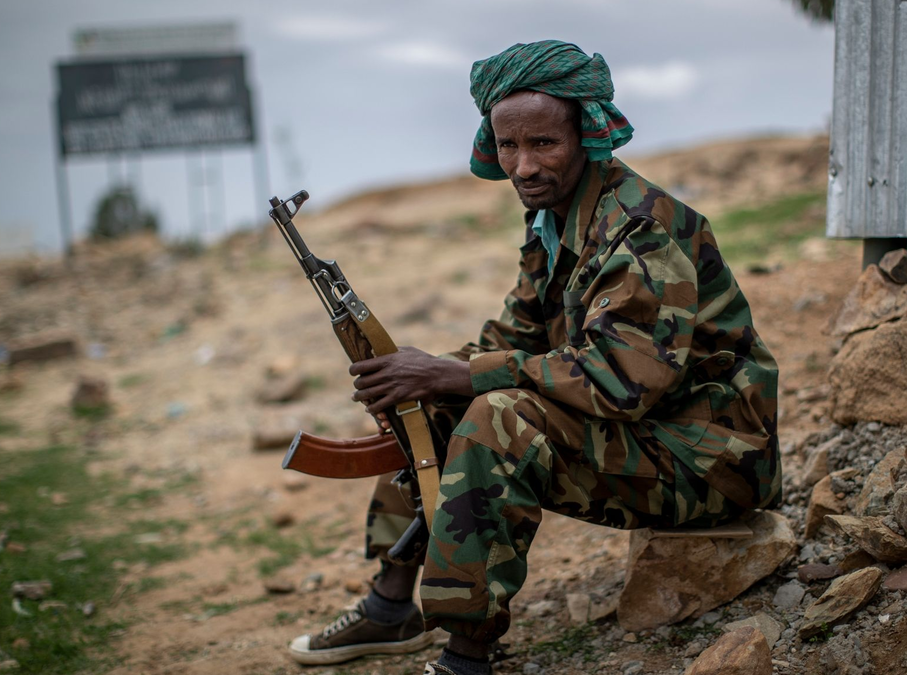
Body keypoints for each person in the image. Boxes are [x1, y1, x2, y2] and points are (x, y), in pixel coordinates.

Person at [288, 40, 781, 675]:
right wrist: (415, 371)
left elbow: (624, 382)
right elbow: (514, 337)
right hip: (646, 438)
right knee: (431, 400)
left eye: (544, 144)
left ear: (587, 135)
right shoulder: (554, 218)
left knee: (498, 419)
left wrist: (459, 373)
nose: (523, 166)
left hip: (709, 458)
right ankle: (390, 609)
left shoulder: (642, 230)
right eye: (508, 146)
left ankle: (467, 656)